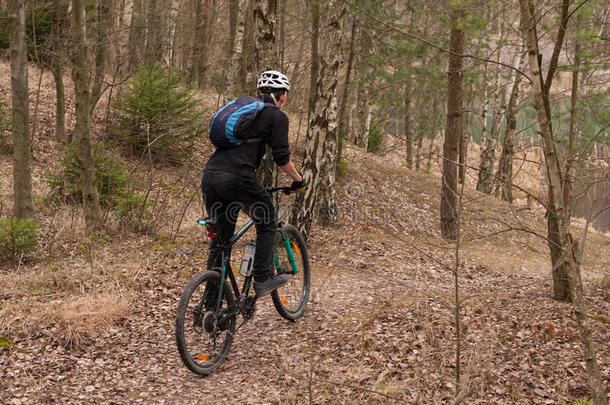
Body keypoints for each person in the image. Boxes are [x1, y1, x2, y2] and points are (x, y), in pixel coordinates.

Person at [201, 70, 306, 297]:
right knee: (268, 220)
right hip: (238, 177)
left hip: (210, 176)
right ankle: (263, 277)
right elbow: (282, 158)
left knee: (221, 243)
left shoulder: (246, 112)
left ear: (260, 91)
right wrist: (298, 180)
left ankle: (210, 309)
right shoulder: (276, 116)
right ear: (283, 96)